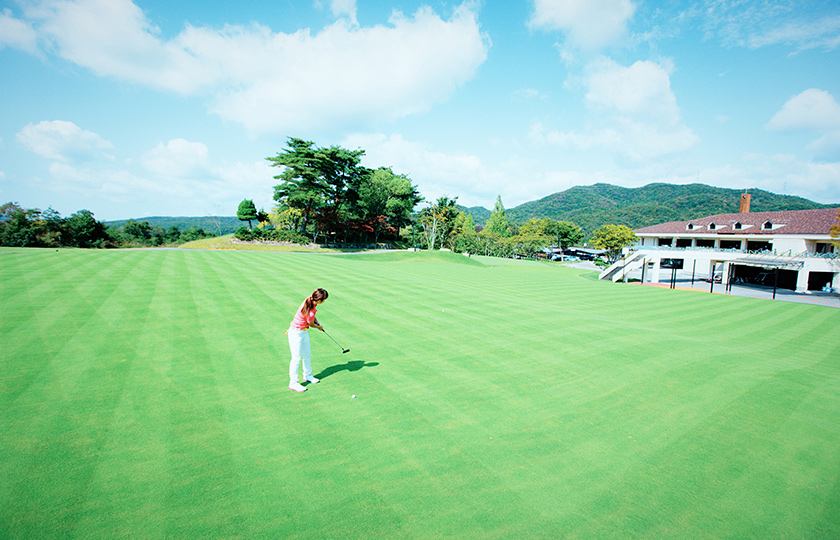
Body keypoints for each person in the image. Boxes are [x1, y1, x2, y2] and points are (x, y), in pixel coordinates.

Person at [287, 288, 328, 392]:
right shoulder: (309, 309)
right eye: (324, 300)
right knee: (296, 358)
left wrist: (317, 321)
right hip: (296, 333)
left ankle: (308, 375)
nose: (324, 302)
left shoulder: (310, 300)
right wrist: (319, 327)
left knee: (307, 354)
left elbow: (312, 317)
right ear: (319, 300)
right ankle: (293, 383)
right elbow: (311, 323)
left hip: (303, 332)